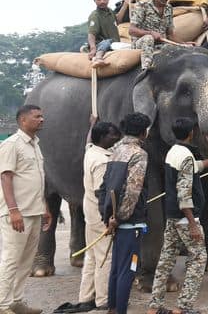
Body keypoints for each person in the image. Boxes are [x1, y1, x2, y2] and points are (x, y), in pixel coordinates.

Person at [147, 118, 208, 314]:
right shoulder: (185, 156)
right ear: (192, 133)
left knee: (166, 260)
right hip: (186, 219)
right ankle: (183, 307)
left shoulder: (174, 152)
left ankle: (155, 306)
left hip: (172, 217)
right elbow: (184, 193)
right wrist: (193, 224)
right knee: (199, 259)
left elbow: (197, 166)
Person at [54, 121, 122, 314]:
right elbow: (104, 194)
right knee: (105, 257)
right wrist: (111, 218)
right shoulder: (103, 161)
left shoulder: (90, 151)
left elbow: (88, 142)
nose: (116, 139)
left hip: (90, 213)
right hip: (101, 215)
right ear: (102, 138)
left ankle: (86, 297)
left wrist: (92, 125)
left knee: (91, 257)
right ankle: (103, 299)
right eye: (112, 136)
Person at [0, 105, 52, 314]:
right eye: (37, 117)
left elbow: (37, 179)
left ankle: (16, 301)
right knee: (11, 259)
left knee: (26, 261)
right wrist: (13, 210)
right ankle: (2, 305)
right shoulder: (12, 144)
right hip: (17, 214)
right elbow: (5, 177)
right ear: (23, 121)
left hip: (34, 212)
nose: (42, 119)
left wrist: (45, 207)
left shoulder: (35, 145)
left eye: (42, 116)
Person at [97, 112, 150, 314]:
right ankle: (120, 310)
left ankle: (112, 308)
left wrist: (108, 217)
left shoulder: (115, 151)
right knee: (129, 269)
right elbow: (133, 192)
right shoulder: (139, 154)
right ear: (144, 132)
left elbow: (104, 187)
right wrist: (120, 217)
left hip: (114, 219)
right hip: (130, 223)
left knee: (116, 269)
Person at [129, 0, 193, 70]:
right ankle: (146, 70)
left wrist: (184, 44)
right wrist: (150, 33)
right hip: (142, 42)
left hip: (161, 43)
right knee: (149, 38)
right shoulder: (142, 6)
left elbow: (170, 34)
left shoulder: (169, 8)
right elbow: (131, 30)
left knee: (176, 51)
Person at [87, 0, 130, 67]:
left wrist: (125, 4)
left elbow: (118, 21)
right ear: (94, 0)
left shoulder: (110, 11)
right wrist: (93, 49)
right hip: (101, 44)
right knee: (108, 41)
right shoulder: (95, 15)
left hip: (114, 43)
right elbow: (91, 34)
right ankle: (98, 58)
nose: (102, 1)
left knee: (129, 46)